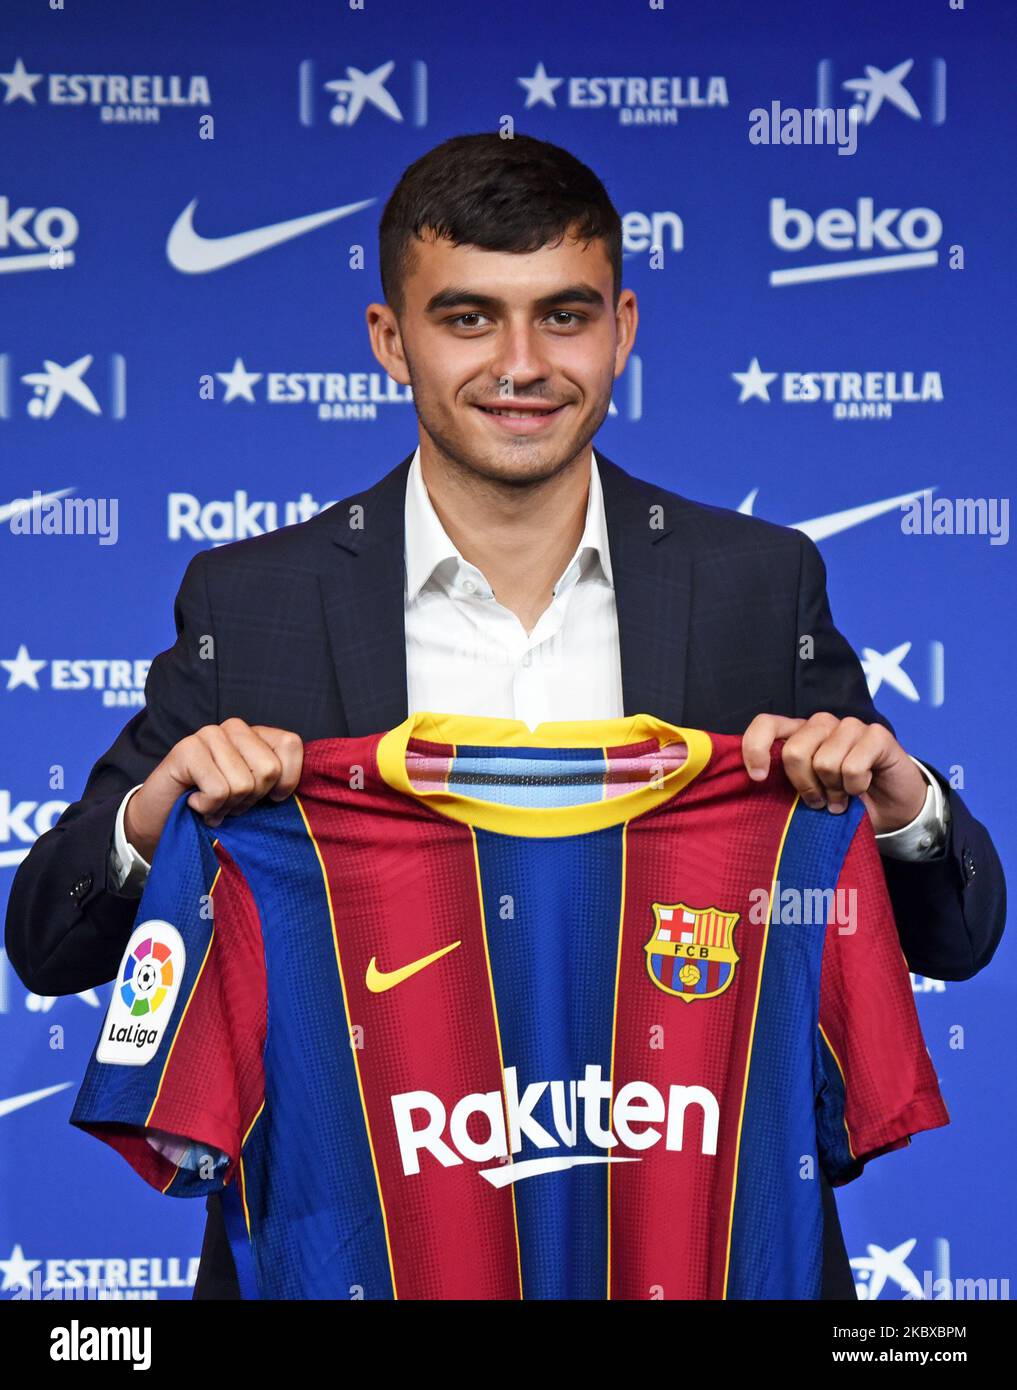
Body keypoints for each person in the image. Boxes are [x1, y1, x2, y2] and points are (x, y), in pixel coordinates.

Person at [5, 132, 1005, 1300]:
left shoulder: (754, 583)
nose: (521, 363)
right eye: (469, 318)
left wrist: (904, 812)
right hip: (364, 1254)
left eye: (564, 316)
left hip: (693, 1256)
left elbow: (955, 935)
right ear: (391, 340)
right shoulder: (255, 600)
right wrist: (156, 813)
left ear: (623, 327)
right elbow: (48, 936)